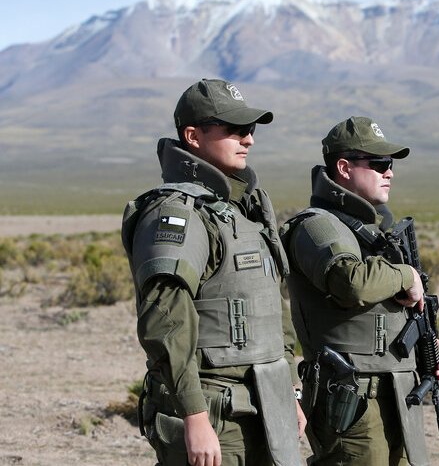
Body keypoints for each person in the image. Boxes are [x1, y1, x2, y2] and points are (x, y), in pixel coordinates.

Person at [121, 79, 305, 466]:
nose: (248, 139)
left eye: (251, 129)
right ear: (192, 135)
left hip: (261, 408)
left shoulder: (240, 211)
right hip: (215, 415)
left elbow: (270, 311)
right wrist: (194, 416)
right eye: (235, 129)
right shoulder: (177, 214)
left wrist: (289, 391)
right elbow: (165, 322)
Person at [280, 116, 439, 466]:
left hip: (397, 390)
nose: (390, 172)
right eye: (379, 164)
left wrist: (428, 356)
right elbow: (350, 282)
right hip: (349, 399)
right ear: (343, 167)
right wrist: (405, 276)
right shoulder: (315, 227)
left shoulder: (372, 233)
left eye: (390, 165)